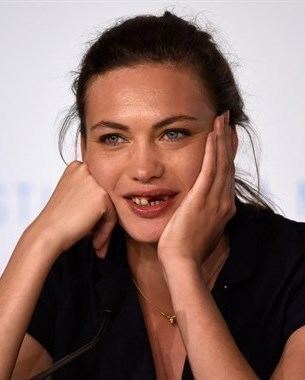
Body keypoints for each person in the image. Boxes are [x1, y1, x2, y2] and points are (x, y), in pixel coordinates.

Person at [1, 10, 305, 380]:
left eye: (173, 134)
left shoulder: (294, 262)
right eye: (113, 138)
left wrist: (181, 265)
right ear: (85, 153)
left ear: (227, 142)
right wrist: (40, 238)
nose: (143, 169)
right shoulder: (70, 273)